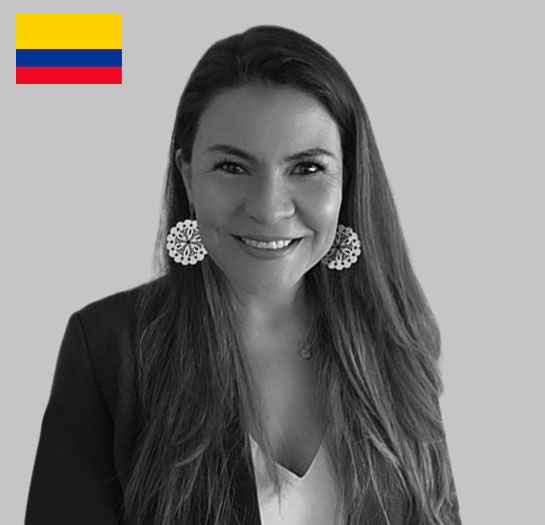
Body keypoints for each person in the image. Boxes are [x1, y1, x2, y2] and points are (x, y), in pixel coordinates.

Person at [25, 25, 461, 525]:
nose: (269, 209)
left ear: (349, 179)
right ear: (188, 175)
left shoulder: (395, 336)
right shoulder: (109, 347)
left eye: (307, 168)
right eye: (233, 167)